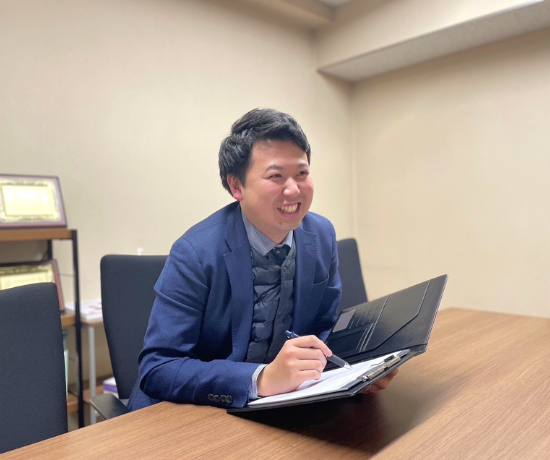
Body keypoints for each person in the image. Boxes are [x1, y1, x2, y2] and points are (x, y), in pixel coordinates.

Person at [128, 108, 396, 410]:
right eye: (276, 176)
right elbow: (159, 368)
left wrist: (358, 370)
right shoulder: (195, 252)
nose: (293, 189)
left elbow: (324, 327)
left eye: (302, 173)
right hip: (195, 411)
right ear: (236, 186)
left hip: (287, 404)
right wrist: (260, 379)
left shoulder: (321, 235)